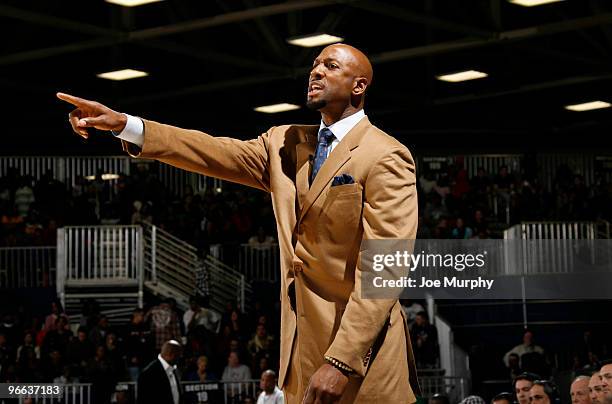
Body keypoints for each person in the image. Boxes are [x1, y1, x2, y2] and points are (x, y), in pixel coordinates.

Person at [58, 42, 420, 404]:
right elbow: (213, 151)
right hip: (302, 355)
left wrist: (341, 361)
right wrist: (127, 125)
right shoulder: (284, 142)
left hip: (362, 358)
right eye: (314, 64)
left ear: (359, 86)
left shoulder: (385, 155)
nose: (316, 71)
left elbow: (384, 270)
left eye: (329, 65)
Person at [137, 340, 183, 404]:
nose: (181, 357)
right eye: (179, 355)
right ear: (170, 354)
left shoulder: (174, 369)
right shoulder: (148, 374)